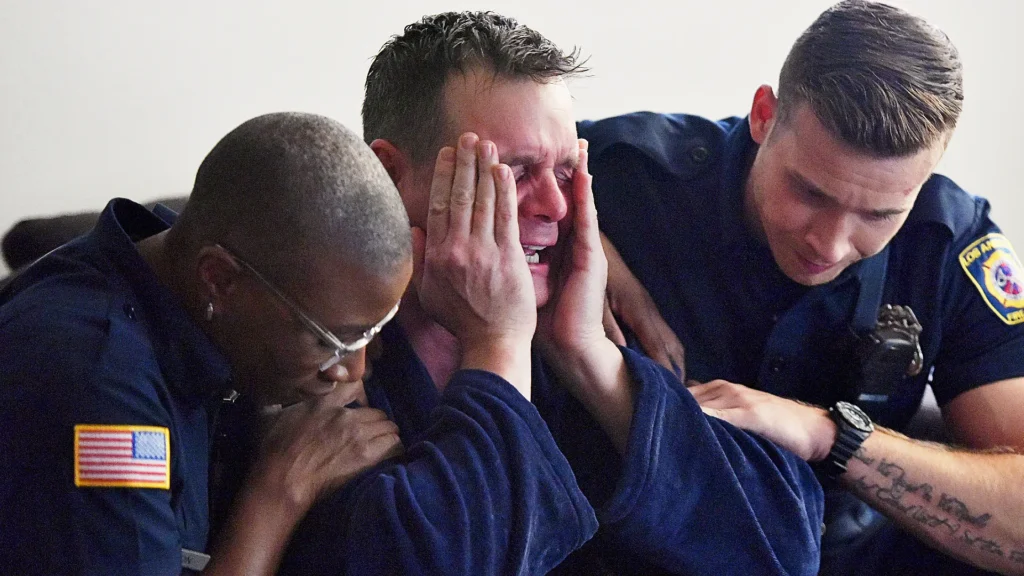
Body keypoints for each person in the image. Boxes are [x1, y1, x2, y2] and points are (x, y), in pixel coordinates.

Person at [276, 12, 825, 575]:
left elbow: (785, 550)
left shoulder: (580, 333)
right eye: (514, 172)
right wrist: (497, 343)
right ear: (390, 174)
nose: (555, 206)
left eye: (565, 172)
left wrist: (588, 357)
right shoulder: (323, 365)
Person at [579, 1, 1024, 574]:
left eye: (879, 215)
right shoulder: (627, 175)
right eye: (811, 193)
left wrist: (829, 436)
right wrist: (579, 240)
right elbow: (468, 143)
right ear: (764, 115)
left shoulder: (951, 247)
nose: (830, 245)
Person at [0, 112, 412, 575]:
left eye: (369, 332)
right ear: (218, 279)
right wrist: (280, 489)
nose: (351, 370)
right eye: (326, 339)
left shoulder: (186, 286)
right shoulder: (95, 388)